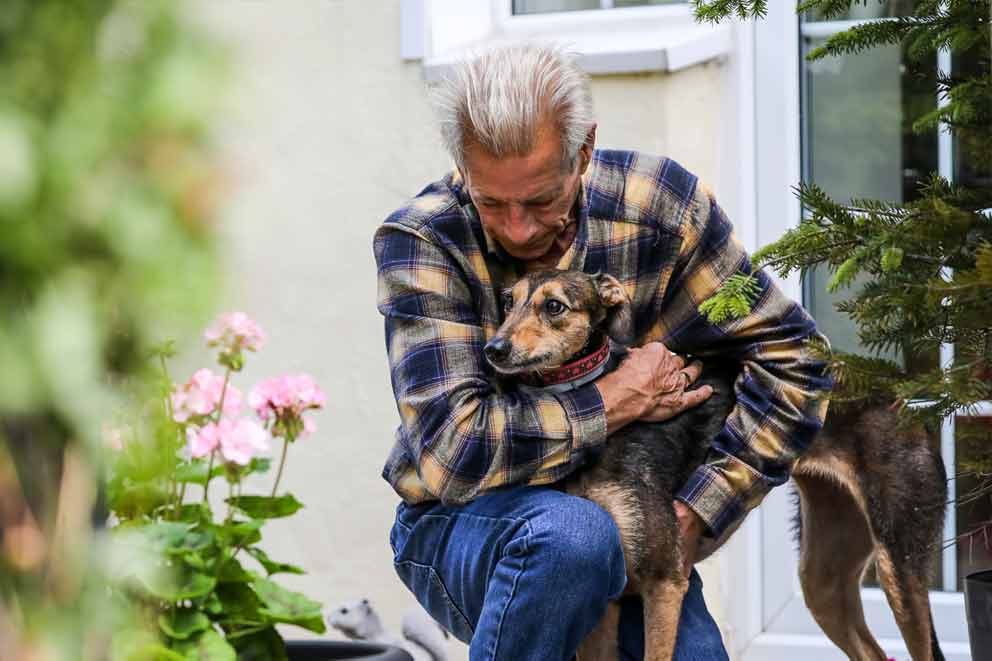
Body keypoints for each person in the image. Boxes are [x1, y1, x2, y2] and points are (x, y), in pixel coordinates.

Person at [373, 42, 832, 660]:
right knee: (573, 538)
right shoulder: (424, 239)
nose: (518, 228)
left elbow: (794, 359)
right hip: (462, 524)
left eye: (540, 199)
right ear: (462, 166)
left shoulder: (661, 207)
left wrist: (702, 508)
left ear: (584, 151)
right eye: (491, 202)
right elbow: (452, 454)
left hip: (627, 512)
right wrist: (615, 397)